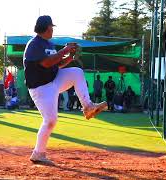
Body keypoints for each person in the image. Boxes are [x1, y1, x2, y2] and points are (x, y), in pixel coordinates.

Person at [24, 15, 107, 164]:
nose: (52, 29)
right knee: (50, 120)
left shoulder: (49, 44)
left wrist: (70, 57)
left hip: (54, 80)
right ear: (46, 27)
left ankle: (88, 107)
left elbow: (56, 64)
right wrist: (64, 50)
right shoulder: (34, 44)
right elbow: (46, 63)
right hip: (41, 88)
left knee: (76, 72)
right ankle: (38, 153)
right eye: (51, 27)